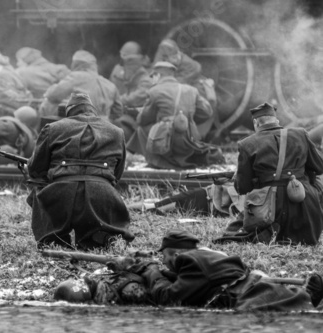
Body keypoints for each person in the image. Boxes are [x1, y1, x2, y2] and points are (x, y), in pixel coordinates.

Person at [54, 230, 323, 311]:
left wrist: (149, 269)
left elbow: (167, 296)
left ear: (176, 254)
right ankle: (308, 294)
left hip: (251, 299)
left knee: (285, 310)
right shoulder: (209, 255)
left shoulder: (190, 262)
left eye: (167, 258)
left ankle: (308, 296)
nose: (166, 263)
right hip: (257, 285)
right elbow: (195, 281)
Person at [27, 91, 134, 249]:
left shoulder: (52, 128)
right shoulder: (116, 132)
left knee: (38, 189)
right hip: (102, 194)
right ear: (92, 109)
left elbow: (36, 169)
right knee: (95, 245)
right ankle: (95, 237)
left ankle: (55, 239)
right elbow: (117, 174)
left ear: (69, 111)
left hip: (60, 195)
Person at [234, 102, 323, 245]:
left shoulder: (246, 144)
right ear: (277, 121)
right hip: (307, 214)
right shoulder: (301, 134)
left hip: (270, 214)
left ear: (256, 123)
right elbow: (319, 167)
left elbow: (242, 187)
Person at [126, 61, 224, 170]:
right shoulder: (191, 90)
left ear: (158, 75)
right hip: (189, 141)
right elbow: (207, 112)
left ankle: (157, 161)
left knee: (141, 129)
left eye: (153, 76)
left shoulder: (154, 91)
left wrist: (142, 115)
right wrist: (188, 120)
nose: (152, 79)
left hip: (166, 142)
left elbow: (143, 120)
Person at [39, 50, 123, 123]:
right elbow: (118, 111)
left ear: (76, 64)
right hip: (105, 126)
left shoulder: (75, 77)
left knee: (48, 103)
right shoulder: (110, 84)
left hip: (80, 125)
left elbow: (53, 95)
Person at [109, 41, 153, 140]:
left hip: (133, 120)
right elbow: (108, 90)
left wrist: (117, 100)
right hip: (114, 115)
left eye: (130, 60)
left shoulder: (145, 78)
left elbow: (137, 97)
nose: (127, 63)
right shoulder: (117, 71)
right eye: (125, 59)